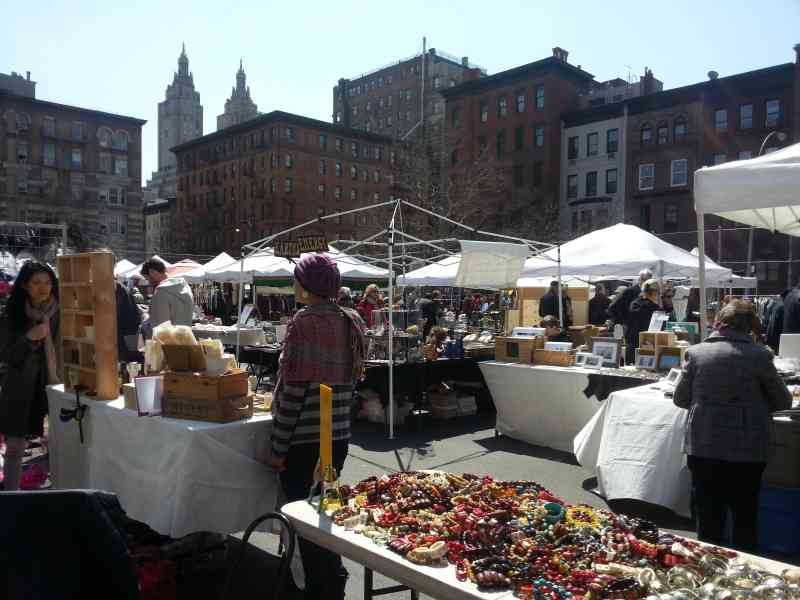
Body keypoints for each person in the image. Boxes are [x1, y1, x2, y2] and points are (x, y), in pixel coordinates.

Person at [267, 253, 367, 600]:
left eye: (297, 279)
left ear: (308, 286)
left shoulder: (304, 323)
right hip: (334, 437)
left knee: (304, 520)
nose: (294, 284)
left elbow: (293, 393)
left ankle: (313, 590)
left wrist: (277, 448)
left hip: (304, 442)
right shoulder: (351, 319)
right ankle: (332, 584)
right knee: (325, 512)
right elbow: (350, 382)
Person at [674, 300, 791, 552]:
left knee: (707, 516)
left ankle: (705, 569)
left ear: (720, 321)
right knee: (744, 516)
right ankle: (744, 576)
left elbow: (680, 398)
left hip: (704, 444)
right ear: (750, 325)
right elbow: (783, 400)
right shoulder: (760, 355)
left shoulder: (696, 353)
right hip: (747, 448)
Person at [0, 262, 60, 491]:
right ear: (25, 285)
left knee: (59, 444)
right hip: (19, 387)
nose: (43, 288)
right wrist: (28, 337)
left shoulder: (60, 312)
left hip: (54, 383)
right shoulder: (12, 313)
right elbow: (6, 354)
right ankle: (11, 499)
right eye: (36, 282)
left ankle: (58, 492)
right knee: (15, 447)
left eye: (47, 282)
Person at [140, 258, 194, 328]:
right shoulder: (185, 287)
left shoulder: (161, 292)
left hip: (167, 337)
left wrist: (144, 316)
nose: (148, 282)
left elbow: (158, 326)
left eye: (147, 278)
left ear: (152, 272)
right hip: (186, 336)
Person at [624, 278, 661, 364]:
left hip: (632, 346)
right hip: (648, 348)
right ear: (655, 292)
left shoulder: (634, 304)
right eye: (658, 293)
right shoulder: (655, 309)